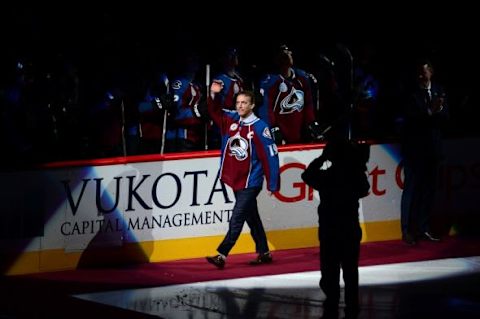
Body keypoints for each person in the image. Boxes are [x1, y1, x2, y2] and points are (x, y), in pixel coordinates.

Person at [205, 81, 280, 269]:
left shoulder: (260, 127)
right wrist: (214, 94)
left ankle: (222, 254)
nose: (240, 106)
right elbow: (213, 111)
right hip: (236, 181)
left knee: (237, 217)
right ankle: (264, 252)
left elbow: (270, 156)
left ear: (252, 105)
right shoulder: (231, 120)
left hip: (251, 182)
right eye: (238, 102)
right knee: (251, 217)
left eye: (244, 103)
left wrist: (273, 183)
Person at [301, 138, 370, 318]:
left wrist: (322, 158)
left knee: (330, 268)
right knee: (350, 269)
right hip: (349, 229)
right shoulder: (356, 175)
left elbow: (307, 175)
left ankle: (332, 301)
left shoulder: (326, 176)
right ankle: (352, 304)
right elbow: (364, 189)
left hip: (330, 230)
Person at [400, 59, 449, 246]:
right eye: (419, 72)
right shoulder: (411, 94)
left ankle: (424, 227)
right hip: (414, 150)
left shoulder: (440, 91)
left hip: (433, 150)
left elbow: (446, 117)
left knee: (429, 190)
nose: (421, 75)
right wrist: (430, 111)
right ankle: (407, 229)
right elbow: (414, 119)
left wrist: (438, 111)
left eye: (425, 72)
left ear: (431, 72)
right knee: (411, 189)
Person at [258, 44, 323, 145]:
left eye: (288, 53)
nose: (287, 56)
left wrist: (312, 122)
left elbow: (308, 104)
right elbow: (266, 109)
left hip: (299, 132)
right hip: (280, 134)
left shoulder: (302, 77)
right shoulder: (270, 81)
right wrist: (273, 128)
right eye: (283, 54)